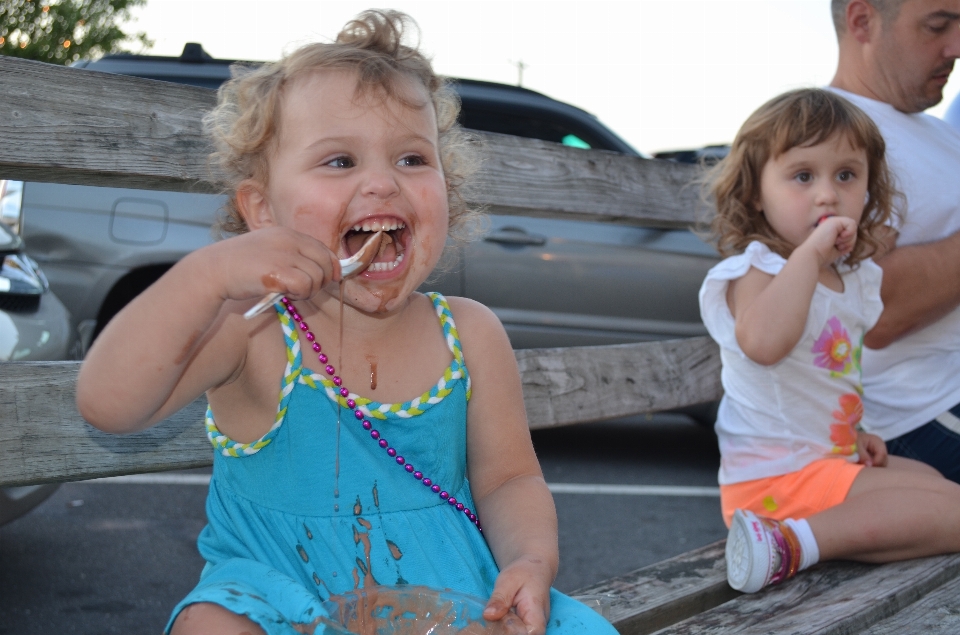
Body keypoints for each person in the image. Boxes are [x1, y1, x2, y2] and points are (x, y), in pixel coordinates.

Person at [74, 11, 617, 635]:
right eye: (339, 162)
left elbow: (509, 479)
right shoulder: (250, 333)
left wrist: (528, 559)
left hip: (445, 599)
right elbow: (105, 404)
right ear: (261, 209)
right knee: (211, 623)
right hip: (280, 597)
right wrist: (205, 278)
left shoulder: (469, 334)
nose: (383, 183)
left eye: (413, 159)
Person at [699, 88, 960, 594]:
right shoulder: (757, 269)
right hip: (773, 481)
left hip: (822, 462)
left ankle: (811, 538)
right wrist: (810, 256)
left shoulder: (852, 280)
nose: (827, 194)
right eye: (803, 177)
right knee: (949, 509)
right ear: (756, 192)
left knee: (935, 486)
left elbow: (829, 377)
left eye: (846, 175)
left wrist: (854, 432)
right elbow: (765, 344)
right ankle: (787, 545)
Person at [829, 0, 960, 483]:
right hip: (920, 415)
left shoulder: (936, 133)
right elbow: (875, 311)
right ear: (862, 22)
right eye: (938, 26)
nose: (958, 47)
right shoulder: (833, 136)